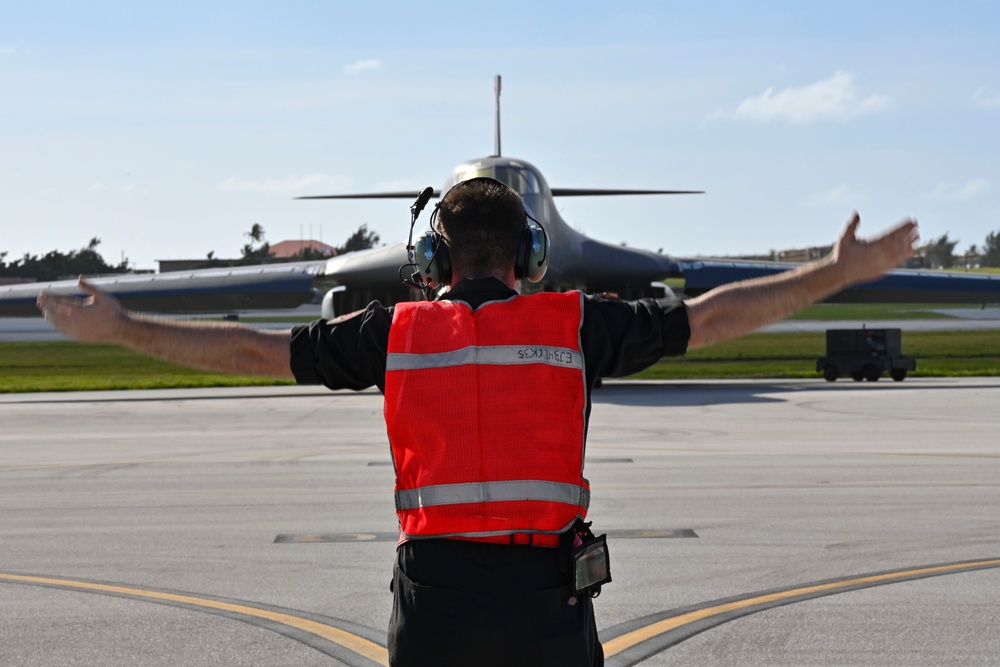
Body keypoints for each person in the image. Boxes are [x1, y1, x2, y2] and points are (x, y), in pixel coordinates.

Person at [37, 177, 918, 666]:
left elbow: (253, 352)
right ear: (529, 256)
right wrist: (828, 276)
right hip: (547, 602)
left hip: (436, 604)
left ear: (433, 259)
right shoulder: (573, 321)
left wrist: (122, 328)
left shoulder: (395, 331)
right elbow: (714, 315)